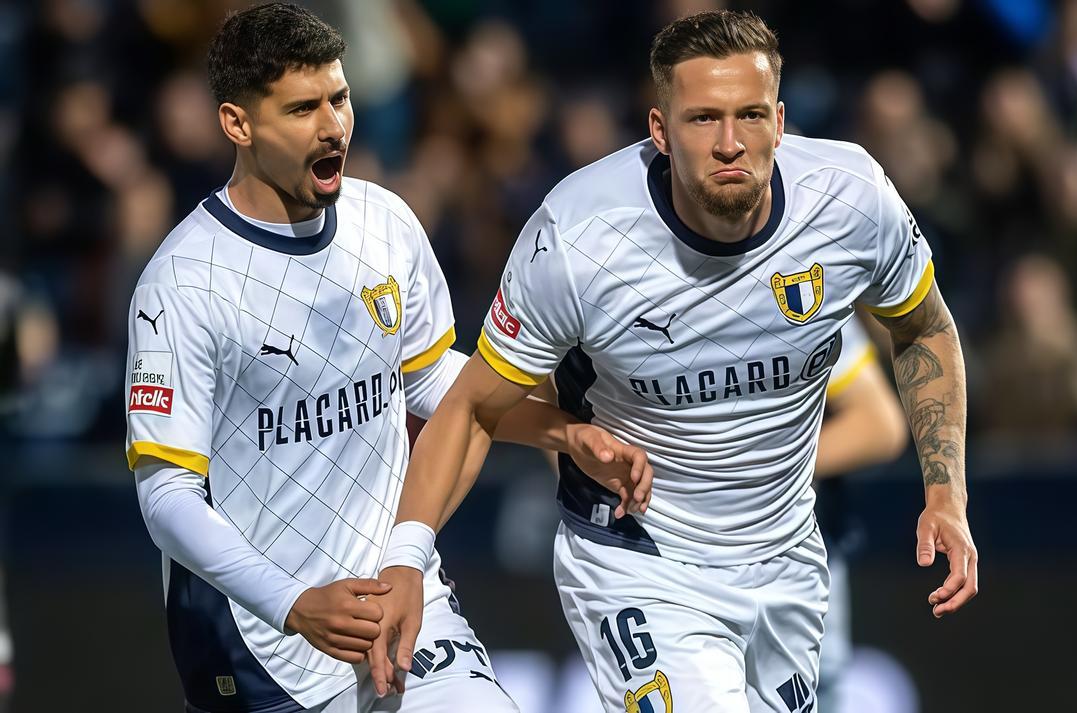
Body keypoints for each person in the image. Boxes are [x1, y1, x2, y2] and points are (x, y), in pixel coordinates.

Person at [371, 9, 979, 711]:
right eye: (702, 119)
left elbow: (926, 327)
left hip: (786, 556)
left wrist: (947, 493)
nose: (730, 143)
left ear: (780, 121)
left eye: (750, 115)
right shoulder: (579, 237)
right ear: (659, 130)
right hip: (639, 559)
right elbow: (473, 404)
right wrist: (407, 560)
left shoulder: (851, 201)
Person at [124, 4, 650, 712]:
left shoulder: (385, 222)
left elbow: (432, 379)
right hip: (264, 640)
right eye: (302, 108)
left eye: (338, 99)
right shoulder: (183, 281)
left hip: (404, 598)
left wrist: (561, 429)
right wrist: (295, 602)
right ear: (237, 124)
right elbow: (166, 496)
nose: (333, 125)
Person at [811, 316, 908, 713]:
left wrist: (748, 470)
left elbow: (881, 424)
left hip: (802, 557)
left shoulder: (803, 285)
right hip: (677, 562)